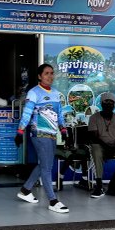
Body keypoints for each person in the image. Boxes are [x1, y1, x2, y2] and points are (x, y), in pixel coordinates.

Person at [14, 64, 69, 214]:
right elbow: (26, 114)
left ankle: (25, 190)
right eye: (46, 73)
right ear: (39, 76)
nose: (50, 76)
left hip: (51, 134)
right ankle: (52, 200)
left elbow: (59, 113)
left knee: (45, 164)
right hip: (38, 134)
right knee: (47, 167)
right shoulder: (34, 93)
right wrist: (20, 132)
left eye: (52, 73)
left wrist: (63, 129)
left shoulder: (57, 93)